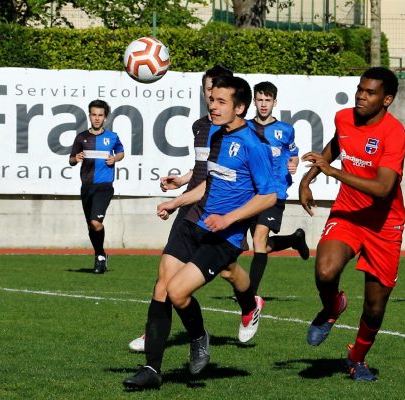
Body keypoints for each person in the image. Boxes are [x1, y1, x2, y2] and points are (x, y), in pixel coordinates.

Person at [123, 76, 276, 390]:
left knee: (179, 293)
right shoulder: (218, 135)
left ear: (240, 107)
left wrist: (229, 218)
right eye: (212, 99)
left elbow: (268, 196)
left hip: (225, 237)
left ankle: (199, 336)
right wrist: (176, 201)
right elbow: (210, 182)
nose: (213, 105)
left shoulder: (254, 144)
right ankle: (151, 369)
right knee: (162, 286)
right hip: (196, 224)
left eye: (221, 101)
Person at [299, 67, 405, 382]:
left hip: (384, 224)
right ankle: (333, 307)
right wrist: (309, 178)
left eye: (370, 92)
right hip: (348, 212)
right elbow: (336, 145)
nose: (361, 95)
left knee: (374, 308)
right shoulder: (344, 117)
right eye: (360, 89)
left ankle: (357, 359)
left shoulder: (394, 132)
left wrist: (334, 174)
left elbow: (384, 188)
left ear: (386, 100)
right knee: (325, 271)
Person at [128, 65, 235, 353]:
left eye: (216, 88)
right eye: (207, 88)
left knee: (230, 273)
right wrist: (181, 180)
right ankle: (153, 339)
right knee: (165, 275)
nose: (210, 94)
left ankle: (249, 303)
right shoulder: (200, 126)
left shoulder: (233, 134)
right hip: (191, 207)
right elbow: (202, 170)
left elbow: (216, 179)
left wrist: (174, 202)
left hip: (215, 212)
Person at [247, 81, 309, 295]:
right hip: (249, 193)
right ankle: (294, 239)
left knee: (258, 240)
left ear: (275, 102)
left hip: (274, 191)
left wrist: (294, 163)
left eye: (268, 100)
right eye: (260, 99)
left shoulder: (285, 130)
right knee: (259, 245)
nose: (264, 104)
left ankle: (249, 294)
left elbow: (293, 154)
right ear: (254, 101)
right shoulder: (244, 128)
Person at [69, 99, 124, 274]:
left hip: (104, 187)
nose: (97, 118)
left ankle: (100, 256)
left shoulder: (112, 137)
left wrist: (115, 158)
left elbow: (121, 152)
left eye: (100, 115)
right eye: (94, 114)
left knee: (96, 222)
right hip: (87, 187)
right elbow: (71, 160)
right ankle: (100, 255)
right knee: (91, 226)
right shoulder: (81, 137)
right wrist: (75, 158)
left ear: (105, 117)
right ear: (90, 116)